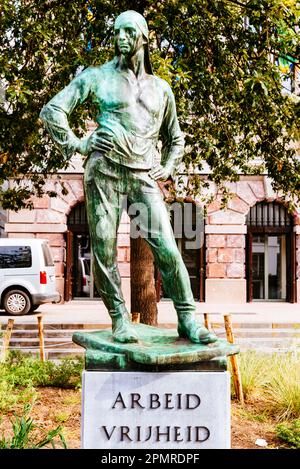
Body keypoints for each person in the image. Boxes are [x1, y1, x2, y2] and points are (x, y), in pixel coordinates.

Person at [40, 10, 217, 345]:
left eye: (127, 32)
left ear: (143, 38)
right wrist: (79, 142)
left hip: (144, 174)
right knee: (104, 252)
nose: (119, 38)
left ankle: (188, 320)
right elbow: (53, 110)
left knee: (167, 248)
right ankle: (120, 319)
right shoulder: (97, 77)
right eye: (116, 32)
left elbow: (175, 138)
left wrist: (168, 165)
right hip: (104, 170)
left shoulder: (162, 89)